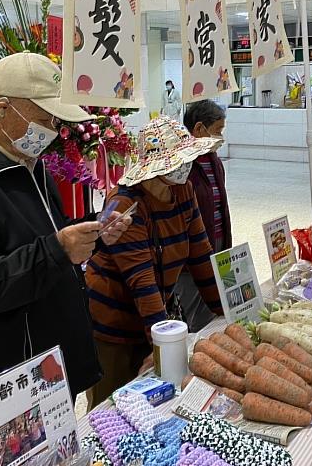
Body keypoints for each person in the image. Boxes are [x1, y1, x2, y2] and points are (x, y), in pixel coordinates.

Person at [0, 53, 131, 466]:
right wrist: (56, 250)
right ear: (2, 110)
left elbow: (44, 241)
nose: (52, 131)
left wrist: (93, 233)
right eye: (45, 119)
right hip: (6, 384)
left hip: (46, 368)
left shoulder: (28, 167)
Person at [85, 117, 224, 407]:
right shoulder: (125, 204)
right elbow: (142, 282)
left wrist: (226, 311)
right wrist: (161, 344)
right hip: (113, 321)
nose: (186, 167)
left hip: (153, 314)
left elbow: (201, 254)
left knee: (158, 399)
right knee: (112, 403)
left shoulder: (182, 190)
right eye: (178, 163)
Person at [181, 100, 232, 331]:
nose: (221, 138)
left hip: (217, 242)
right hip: (192, 253)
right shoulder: (183, 167)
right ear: (200, 129)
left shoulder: (215, 161)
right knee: (193, 308)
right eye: (218, 131)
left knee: (214, 305)